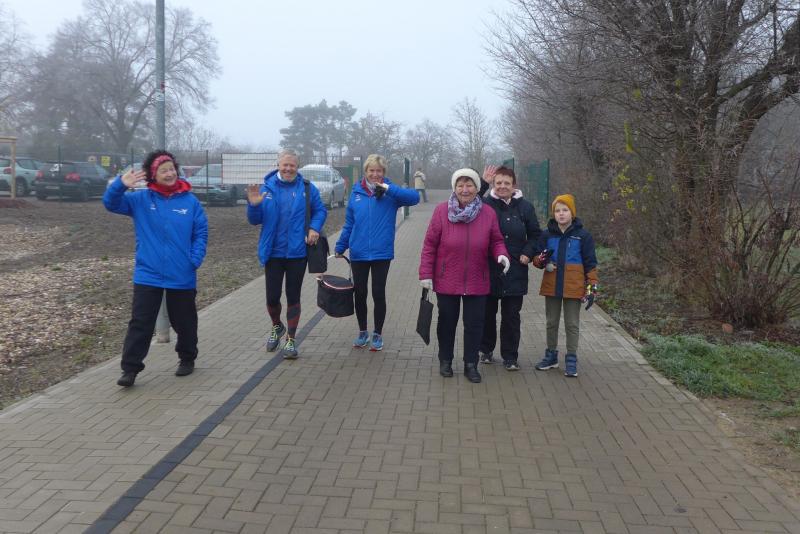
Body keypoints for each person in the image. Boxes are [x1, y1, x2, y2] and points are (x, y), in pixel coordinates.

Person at [103, 150, 208, 387]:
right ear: (153, 175)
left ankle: (187, 358)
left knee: (184, 321)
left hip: (181, 273)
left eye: (172, 169)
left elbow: (200, 232)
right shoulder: (141, 200)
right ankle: (130, 369)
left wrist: (194, 259)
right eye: (163, 171)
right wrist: (120, 185)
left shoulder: (190, 201)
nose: (170, 174)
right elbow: (111, 204)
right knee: (141, 322)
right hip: (148, 273)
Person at [419, 168, 510, 383]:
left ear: (477, 188)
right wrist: (426, 273)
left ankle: (471, 364)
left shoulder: (488, 213)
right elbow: (430, 245)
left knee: (474, 325)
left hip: (477, 278)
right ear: (454, 188)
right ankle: (445, 360)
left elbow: (496, 240)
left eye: (469, 185)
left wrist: (502, 254)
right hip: (447, 278)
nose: (464, 189)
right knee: (446, 323)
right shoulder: (441, 211)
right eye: (460, 185)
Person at [247, 150, 326, 359]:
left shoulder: (307, 188)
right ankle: (277, 326)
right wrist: (253, 205)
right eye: (285, 165)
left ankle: (291, 340)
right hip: (273, 252)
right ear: (278, 165)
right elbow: (254, 220)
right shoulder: (266, 188)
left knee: (293, 296)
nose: (288, 169)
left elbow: (320, 210)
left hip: (297, 253)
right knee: (272, 297)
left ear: (297, 167)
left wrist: (314, 228)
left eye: (292, 165)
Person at [335, 154, 420, 351]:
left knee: (378, 293)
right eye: (371, 170)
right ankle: (362, 332)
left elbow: (414, 198)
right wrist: (340, 246)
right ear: (365, 171)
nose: (375, 174)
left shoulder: (391, 194)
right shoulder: (356, 193)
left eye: (379, 171)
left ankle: (378, 333)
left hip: (382, 253)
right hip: (358, 253)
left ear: (384, 172)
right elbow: (349, 224)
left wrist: (389, 188)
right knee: (360, 293)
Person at [478, 166, 541, 370]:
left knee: (511, 317)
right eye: (498, 183)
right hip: (489, 268)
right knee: (487, 314)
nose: (503, 186)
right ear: (493, 184)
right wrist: (483, 183)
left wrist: (528, 253)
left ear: (514, 185)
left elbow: (535, 235)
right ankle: (486, 350)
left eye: (507, 183)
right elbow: (466, 203)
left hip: (516, 269)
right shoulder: (485, 204)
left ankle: (510, 356)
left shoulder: (526, 207)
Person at [532, 194, 599, 377]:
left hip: (574, 286)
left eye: (565, 210)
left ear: (572, 212)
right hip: (552, 284)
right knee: (551, 322)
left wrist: (592, 286)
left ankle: (571, 358)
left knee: (572, 324)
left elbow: (590, 262)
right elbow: (537, 258)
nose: (561, 214)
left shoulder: (583, 236)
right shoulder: (547, 234)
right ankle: (551, 355)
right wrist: (543, 261)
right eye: (557, 211)